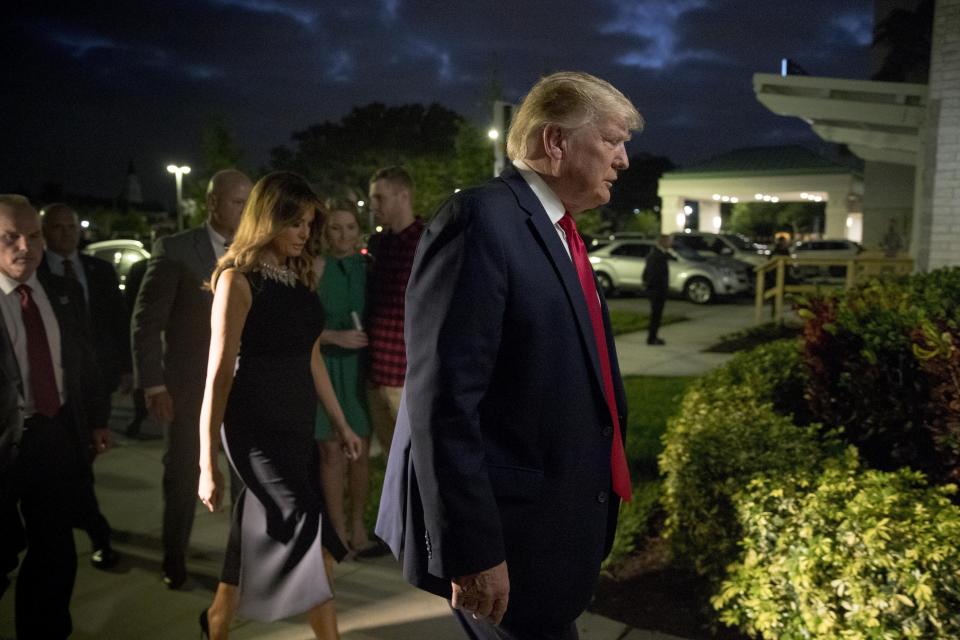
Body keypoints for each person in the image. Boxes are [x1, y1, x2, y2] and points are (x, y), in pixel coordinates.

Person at [376, 71, 642, 640]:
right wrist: (472, 550)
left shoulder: (556, 231)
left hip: (546, 536)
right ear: (556, 142)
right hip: (507, 544)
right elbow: (444, 403)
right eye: (613, 140)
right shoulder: (480, 219)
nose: (623, 160)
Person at [196, 171, 362, 639]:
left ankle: (216, 624)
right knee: (312, 536)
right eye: (297, 224)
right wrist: (206, 462)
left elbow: (310, 357)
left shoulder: (299, 278)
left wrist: (340, 422)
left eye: (310, 224)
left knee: (246, 542)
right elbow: (216, 377)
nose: (306, 234)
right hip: (254, 434)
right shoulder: (237, 280)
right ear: (270, 220)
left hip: (296, 431)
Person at [131, 169, 252, 589]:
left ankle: (241, 564)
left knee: (244, 479)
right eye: (237, 202)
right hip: (189, 389)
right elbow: (146, 324)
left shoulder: (255, 251)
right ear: (212, 203)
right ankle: (174, 556)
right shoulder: (177, 250)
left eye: (248, 202)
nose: (244, 210)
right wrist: (154, 385)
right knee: (183, 475)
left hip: (243, 388)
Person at [0, 194, 110, 638]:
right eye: (10, 237)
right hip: (4, 448)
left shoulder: (61, 291)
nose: (25, 246)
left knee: (55, 553)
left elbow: (83, 362)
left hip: (55, 437)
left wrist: (97, 421)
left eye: (33, 236)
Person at [39, 202, 128, 569]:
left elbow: (118, 322)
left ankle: (92, 527)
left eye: (71, 226)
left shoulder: (98, 270)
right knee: (72, 471)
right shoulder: (35, 274)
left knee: (80, 463)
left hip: (94, 380)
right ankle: (92, 529)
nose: (66, 233)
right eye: (57, 227)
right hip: (53, 388)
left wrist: (126, 367)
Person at [314, 203, 377, 555]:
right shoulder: (315, 267)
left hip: (358, 370)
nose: (343, 235)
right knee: (330, 452)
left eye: (350, 227)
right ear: (325, 232)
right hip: (326, 366)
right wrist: (334, 337)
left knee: (360, 453)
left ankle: (357, 526)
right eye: (336, 228)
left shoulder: (367, 268)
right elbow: (301, 327)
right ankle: (336, 530)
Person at [365, 166, 423, 459]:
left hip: (408, 378)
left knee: (416, 463)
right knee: (392, 465)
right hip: (377, 374)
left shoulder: (427, 243)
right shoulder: (380, 244)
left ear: (403, 196)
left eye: (379, 198)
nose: (374, 206)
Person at [642, 234, 671, 346]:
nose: (670, 244)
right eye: (668, 241)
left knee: (656, 316)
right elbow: (652, 274)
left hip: (657, 290)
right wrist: (654, 288)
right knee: (655, 316)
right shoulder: (656, 255)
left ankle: (653, 337)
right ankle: (652, 338)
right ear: (662, 242)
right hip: (657, 291)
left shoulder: (658, 254)